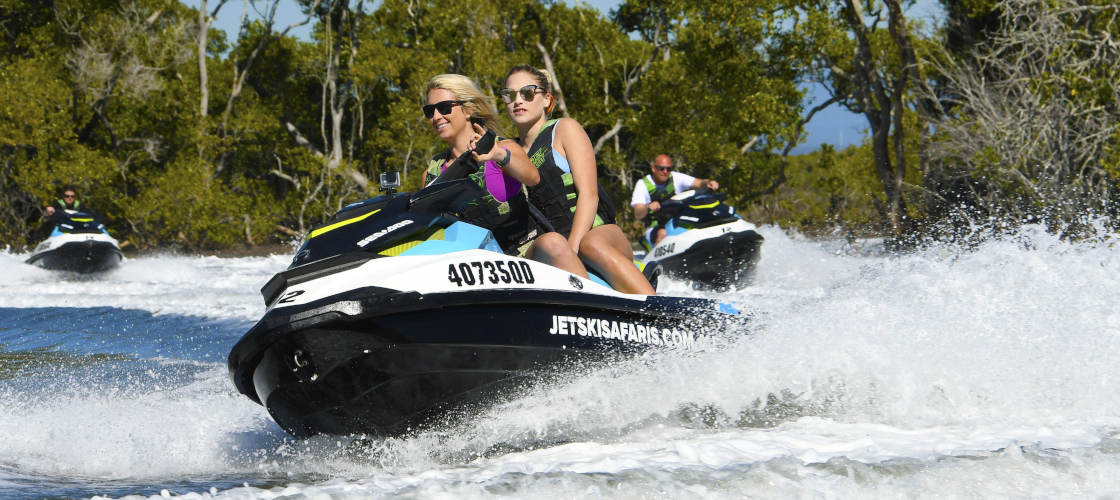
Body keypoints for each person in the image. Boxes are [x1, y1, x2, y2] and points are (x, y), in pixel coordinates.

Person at [502, 65, 655, 295]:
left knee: (590, 244)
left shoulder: (564, 129)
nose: (518, 100)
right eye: (510, 94)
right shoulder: (510, 153)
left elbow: (589, 194)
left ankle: (657, 312)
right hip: (553, 247)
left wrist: (572, 248)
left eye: (527, 93)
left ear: (546, 99)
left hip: (598, 233)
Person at [422, 74, 581, 272]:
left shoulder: (503, 148)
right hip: (476, 271)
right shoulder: (432, 174)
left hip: (527, 261)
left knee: (553, 243)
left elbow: (532, 177)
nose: (436, 116)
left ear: (469, 109)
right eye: (430, 111)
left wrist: (498, 155)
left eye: (444, 107)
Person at [631, 155, 720, 246]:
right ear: (654, 168)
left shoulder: (675, 177)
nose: (665, 172)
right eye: (662, 168)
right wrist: (647, 207)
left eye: (668, 169)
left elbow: (699, 183)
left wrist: (708, 183)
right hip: (656, 226)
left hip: (679, 221)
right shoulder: (642, 184)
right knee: (663, 234)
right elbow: (638, 214)